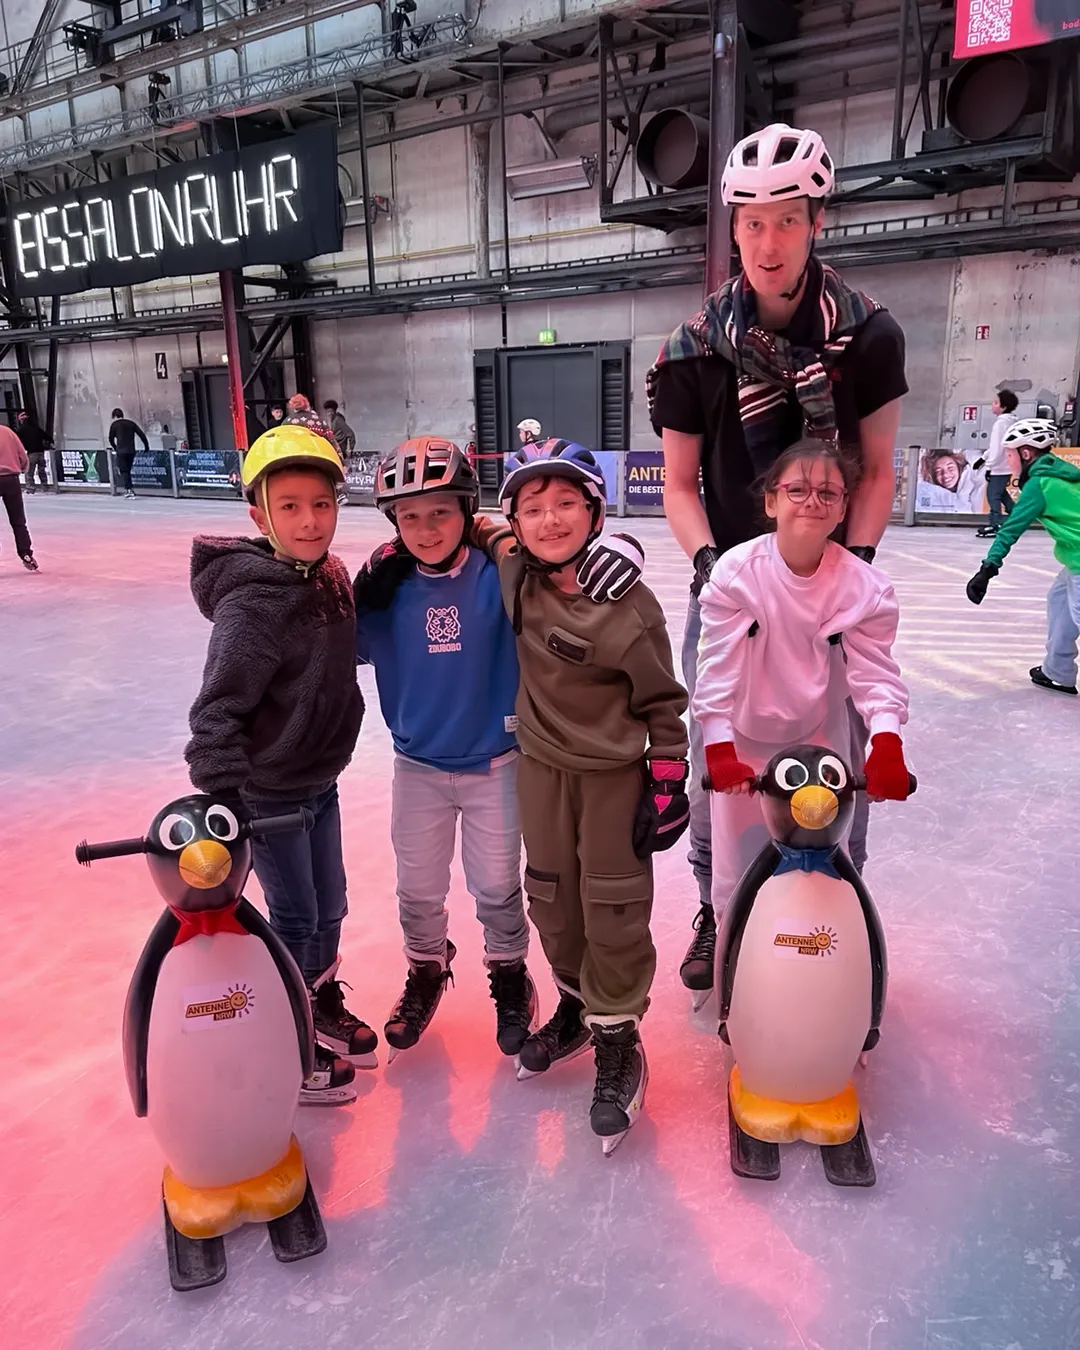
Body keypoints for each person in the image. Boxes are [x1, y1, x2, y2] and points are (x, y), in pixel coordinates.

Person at [647, 121, 907, 995]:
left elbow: (877, 469)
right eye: (752, 223)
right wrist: (712, 569)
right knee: (716, 748)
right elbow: (679, 485)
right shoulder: (692, 349)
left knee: (845, 747)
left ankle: (839, 899)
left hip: (833, 586)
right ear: (733, 227)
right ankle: (714, 908)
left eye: (787, 221)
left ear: (816, 223)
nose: (768, 242)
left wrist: (851, 568)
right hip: (731, 583)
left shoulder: (869, 336)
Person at [494, 441, 689, 1148]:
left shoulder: (628, 606)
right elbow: (474, 529)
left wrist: (668, 777)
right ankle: (578, 1005)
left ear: (595, 513)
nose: (550, 520)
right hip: (541, 772)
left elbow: (663, 701)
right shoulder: (515, 573)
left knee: (613, 904)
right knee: (549, 896)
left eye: (566, 504)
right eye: (533, 508)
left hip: (612, 778)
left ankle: (618, 1035)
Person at [185, 423, 376, 1105]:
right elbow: (216, 711)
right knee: (294, 918)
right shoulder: (252, 604)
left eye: (321, 504)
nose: (309, 520)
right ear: (259, 515)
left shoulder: (330, 576)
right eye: (289, 506)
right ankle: (285, 1044)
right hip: (266, 795)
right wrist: (225, 799)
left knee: (331, 906)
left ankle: (316, 1001)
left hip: (319, 781)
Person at [353, 438, 538, 1061]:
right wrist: (353, 592)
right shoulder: (387, 593)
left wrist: (497, 536)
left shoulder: (497, 575)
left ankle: (510, 974)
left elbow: (552, 572)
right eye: (409, 516)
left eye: (441, 512)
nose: (426, 529)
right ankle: (427, 967)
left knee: (496, 886)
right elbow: (332, 646)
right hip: (419, 767)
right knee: (417, 887)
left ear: (467, 510)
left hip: (496, 763)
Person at [694, 440, 913, 916]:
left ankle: (830, 939)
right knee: (735, 871)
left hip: (820, 735)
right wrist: (719, 747)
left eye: (828, 492)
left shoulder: (865, 587)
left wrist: (887, 743)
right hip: (743, 735)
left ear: (843, 509)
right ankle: (726, 942)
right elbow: (716, 666)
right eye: (797, 489)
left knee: (828, 856)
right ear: (771, 501)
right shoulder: (736, 573)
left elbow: (875, 672)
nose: (813, 501)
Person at [966, 418, 1080, 696]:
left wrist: (987, 570)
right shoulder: (1063, 473)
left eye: (1009, 454)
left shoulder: (1039, 484)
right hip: (1073, 560)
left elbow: (1010, 530)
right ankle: (1058, 671)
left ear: (1025, 453)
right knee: (1059, 602)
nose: (1007, 461)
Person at [974, 389, 1019, 538]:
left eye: (995, 402)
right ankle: (1016, 517)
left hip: (999, 467)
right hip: (1005, 464)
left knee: (993, 495)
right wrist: (983, 458)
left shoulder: (1001, 424)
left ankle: (996, 524)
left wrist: (989, 466)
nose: (992, 405)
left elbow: (997, 448)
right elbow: (996, 447)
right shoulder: (1010, 422)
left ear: (1003, 407)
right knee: (1001, 494)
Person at [0, 421, 39, 570]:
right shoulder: (8, 432)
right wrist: (21, 468)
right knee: (18, 521)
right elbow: (23, 455)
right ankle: (25, 553)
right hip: (11, 479)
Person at [915, 449, 985, 514]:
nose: (945, 474)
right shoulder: (933, 494)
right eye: (938, 471)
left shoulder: (971, 478)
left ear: (959, 467)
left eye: (950, 468)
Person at [108, 408, 150, 500]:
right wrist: (146, 446)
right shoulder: (131, 423)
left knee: (124, 471)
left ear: (114, 416)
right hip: (131, 451)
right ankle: (129, 489)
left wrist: (115, 447)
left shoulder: (114, 425)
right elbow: (141, 435)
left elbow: (110, 438)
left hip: (121, 451)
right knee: (128, 470)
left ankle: (129, 490)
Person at [15, 410, 52, 493]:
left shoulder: (22, 430)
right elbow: (47, 436)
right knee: (42, 470)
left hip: (32, 453)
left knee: (29, 472)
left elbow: (16, 439)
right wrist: (50, 442)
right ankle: (44, 486)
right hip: (41, 452)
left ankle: (30, 488)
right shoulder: (36, 428)